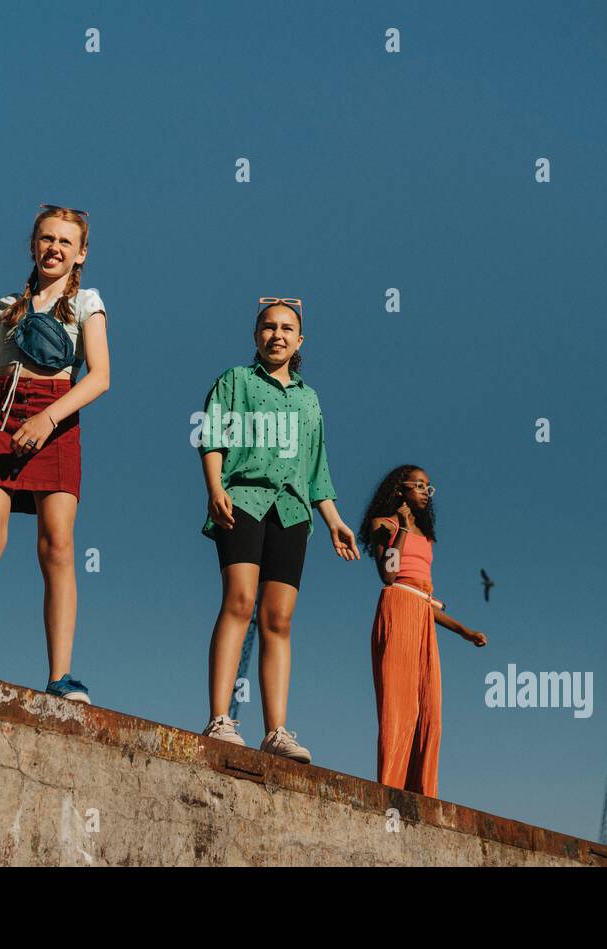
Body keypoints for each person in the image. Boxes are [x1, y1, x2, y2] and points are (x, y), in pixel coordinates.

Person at [0, 205, 110, 703]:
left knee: (56, 544)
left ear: (81, 252)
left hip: (55, 413)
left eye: (65, 241)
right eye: (45, 238)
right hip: (0, 412)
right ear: (33, 245)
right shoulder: (7, 308)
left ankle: (61, 677)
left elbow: (100, 377)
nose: (54, 248)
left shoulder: (89, 304)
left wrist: (48, 418)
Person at [195, 297, 359, 763]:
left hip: (293, 512)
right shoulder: (235, 381)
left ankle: (277, 731)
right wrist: (213, 487)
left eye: (287, 328)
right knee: (240, 602)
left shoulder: (309, 399)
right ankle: (220, 718)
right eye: (269, 327)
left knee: (279, 620)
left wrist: (334, 522)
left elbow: (316, 469)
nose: (277, 335)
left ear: (300, 340)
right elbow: (213, 437)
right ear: (256, 335)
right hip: (242, 499)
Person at [357, 465, 487, 797]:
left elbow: (424, 599)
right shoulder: (383, 525)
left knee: (429, 713)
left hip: (422, 619)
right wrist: (399, 527)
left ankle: (421, 791)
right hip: (397, 609)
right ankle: (389, 788)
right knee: (399, 707)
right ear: (400, 489)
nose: (427, 492)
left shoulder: (428, 541)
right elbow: (388, 575)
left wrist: (463, 631)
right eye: (420, 485)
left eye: (430, 487)